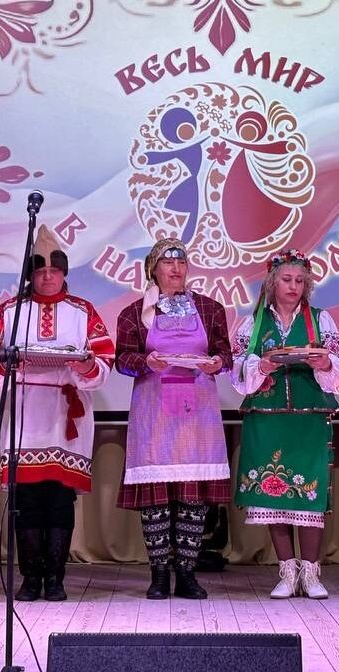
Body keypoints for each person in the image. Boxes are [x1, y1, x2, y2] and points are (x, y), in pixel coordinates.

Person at [0, 225, 113, 602]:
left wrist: (84, 365)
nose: (48, 277)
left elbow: (104, 359)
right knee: (26, 498)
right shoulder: (11, 310)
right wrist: (7, 366)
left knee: (60, 498)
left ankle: (55, 578)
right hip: (24, 412)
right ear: (30, 274)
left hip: (65, 417)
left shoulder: (83, 311)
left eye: (54, 270)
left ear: (64, 272)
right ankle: (29, 577)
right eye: (40, 271)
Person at [114, 238, 232, 600]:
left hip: (198, 413)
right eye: (167, 262)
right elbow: (122, 359)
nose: (176, 268)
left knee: (192, 497)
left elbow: (225, 352)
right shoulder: (134, 313)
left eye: (181, 262)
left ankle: (187, 574)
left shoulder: (210, 308)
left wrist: (218, 363)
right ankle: (159, 574)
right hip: (155, 412)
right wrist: (146, 362)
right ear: (153, 269)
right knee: (157, 497)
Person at [231, 249, 339, 599]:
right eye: (286, 279)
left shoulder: (321, 320)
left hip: (309, 420)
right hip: (266, 420)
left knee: (309, 494)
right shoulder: (252, 324)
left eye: (299, 280)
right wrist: (263, 366)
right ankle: (287, 571)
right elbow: (237, 374)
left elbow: (338, 376)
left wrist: (324, 364)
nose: (293, 286)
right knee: (273, 491)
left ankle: (310, 573)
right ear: (272, 283)